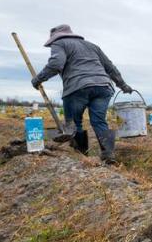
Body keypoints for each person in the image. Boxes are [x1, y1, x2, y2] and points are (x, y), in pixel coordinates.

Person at [31, 25, 133, 164]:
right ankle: (108, 154)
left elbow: (56, 63)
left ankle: (80, 156)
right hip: (103, 87)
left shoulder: (59, 43)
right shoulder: (92, 46)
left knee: (74, 124)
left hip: (77, 87)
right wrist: (123, 85)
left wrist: (38, 79)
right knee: (99, 121)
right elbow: (110, 67)